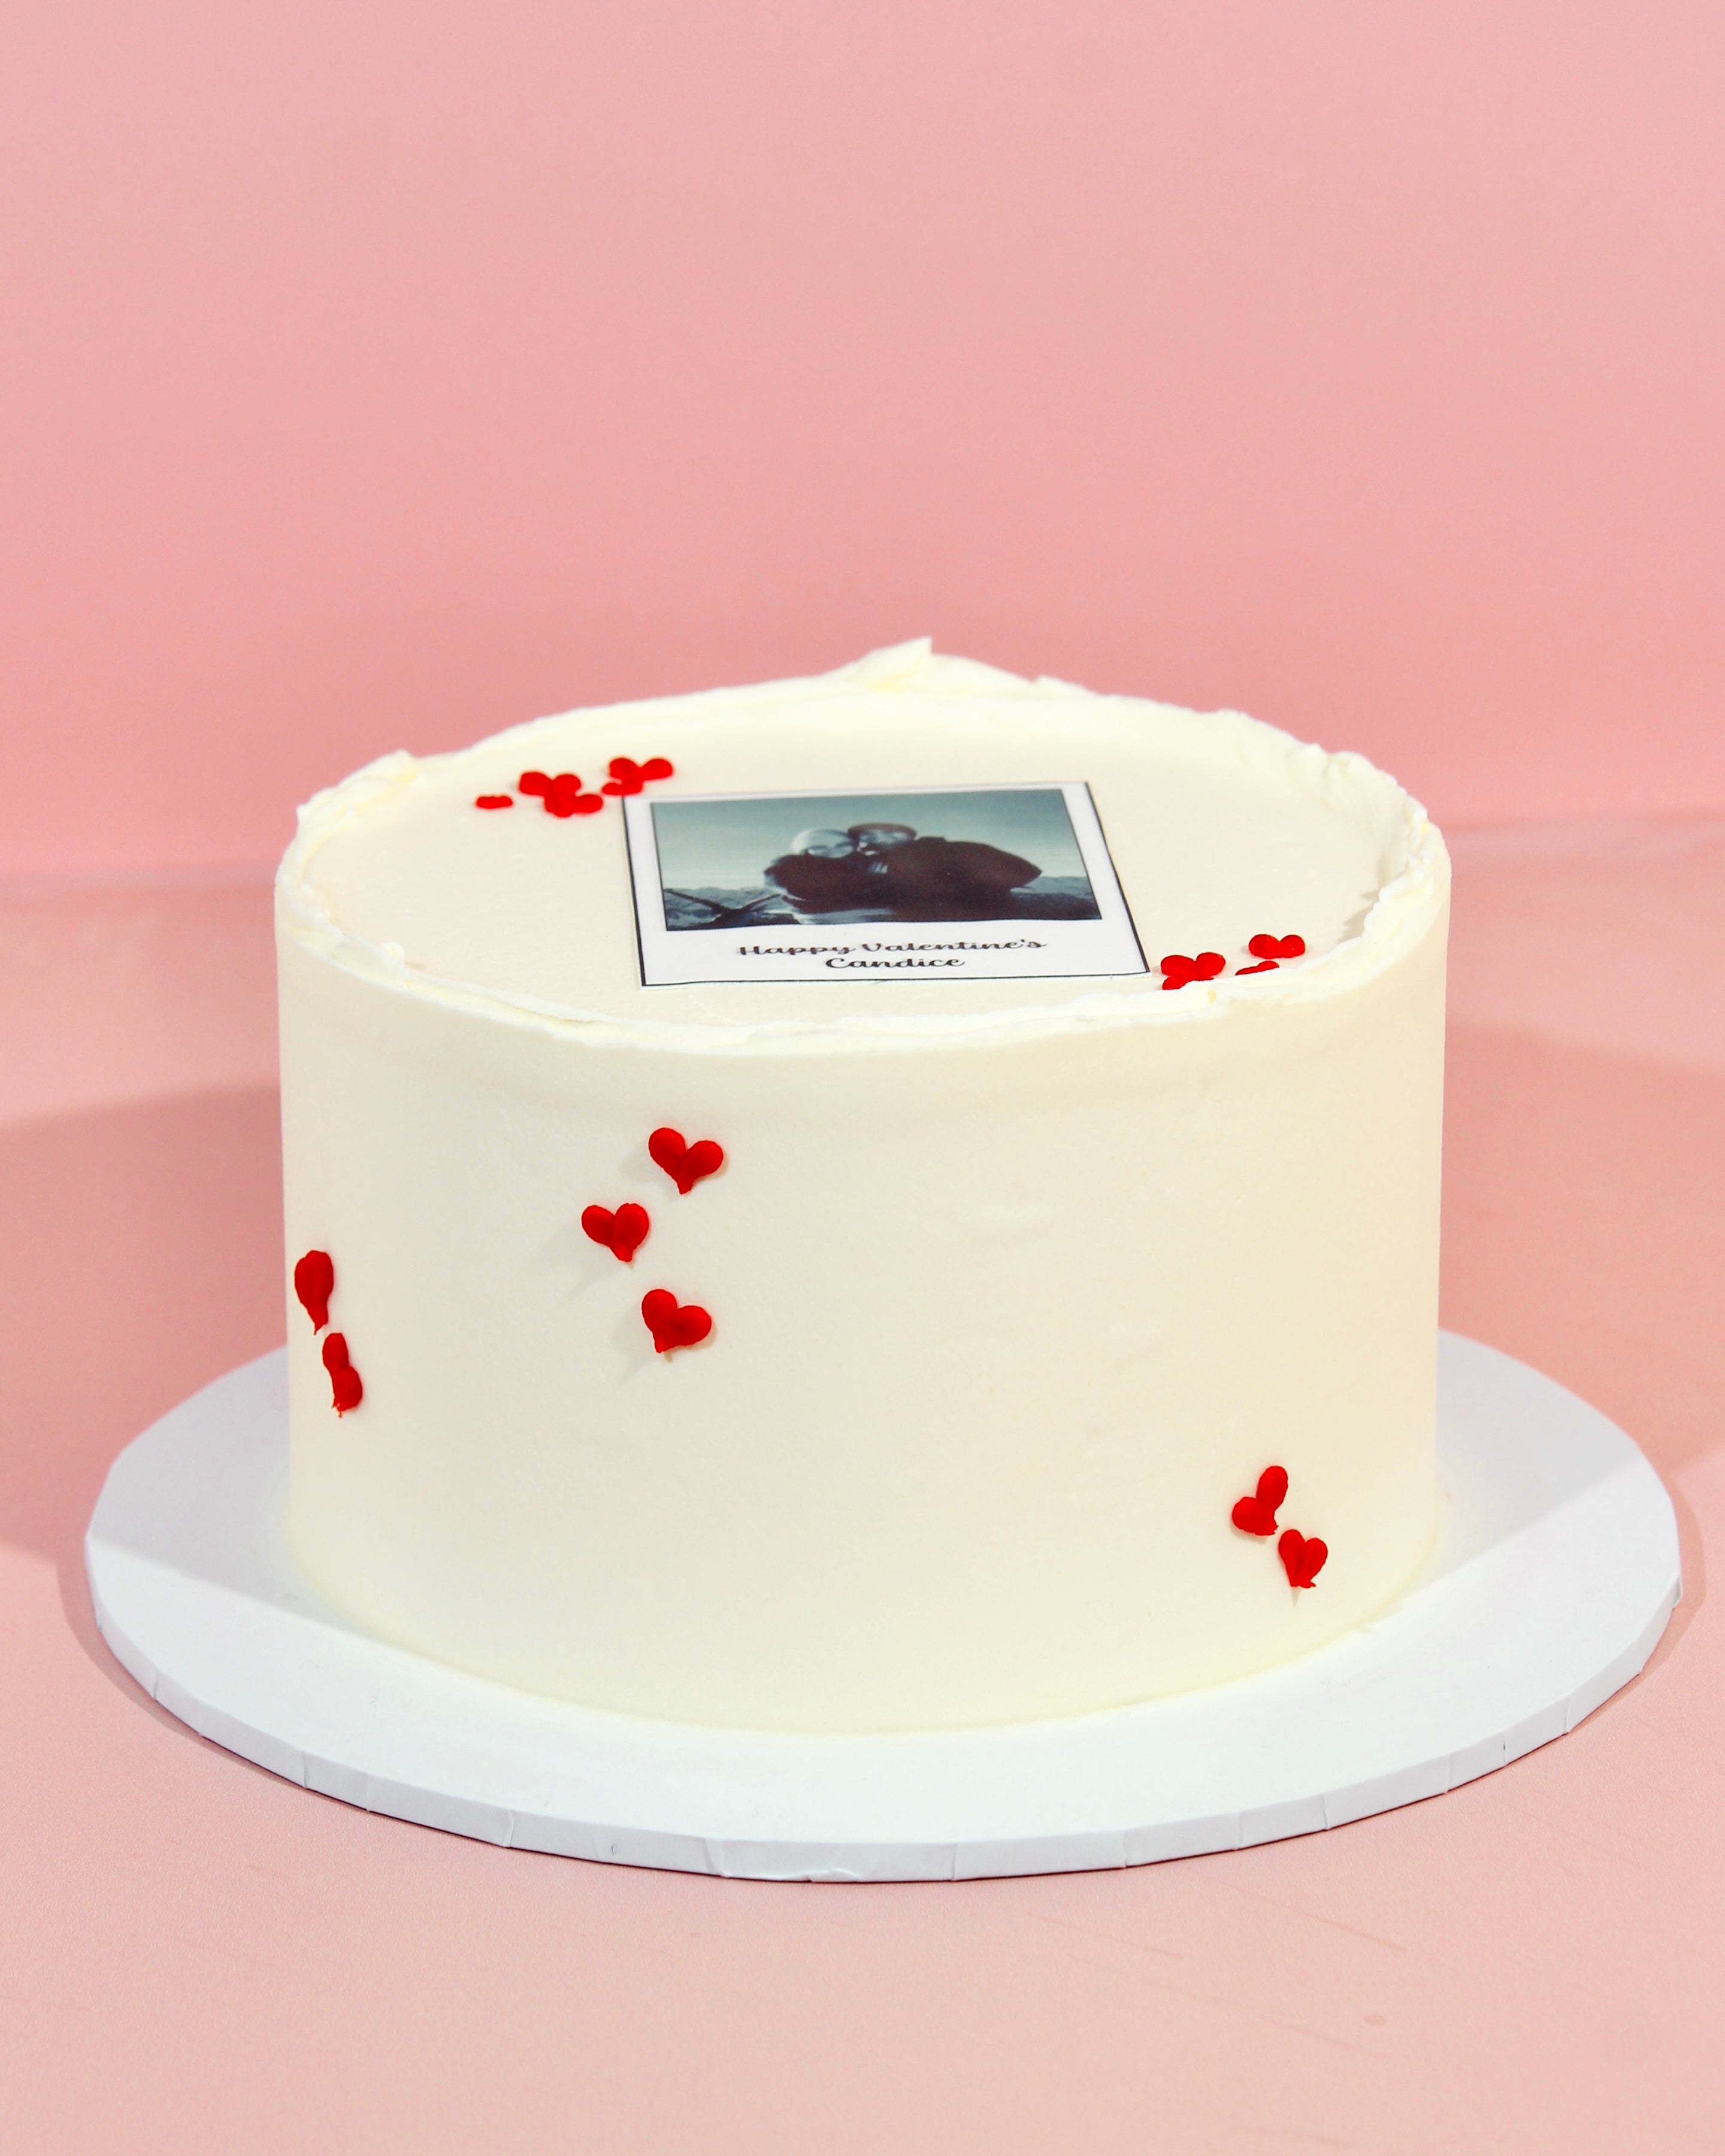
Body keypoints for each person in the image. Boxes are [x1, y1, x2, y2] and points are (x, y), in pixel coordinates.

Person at [845, 821, 1041, 920]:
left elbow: (1025, 871)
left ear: (904, 835)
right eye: (867, 836)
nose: (878, 838)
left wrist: (968, 892)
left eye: (889, 832)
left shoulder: (957, 850)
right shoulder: (873, 865)